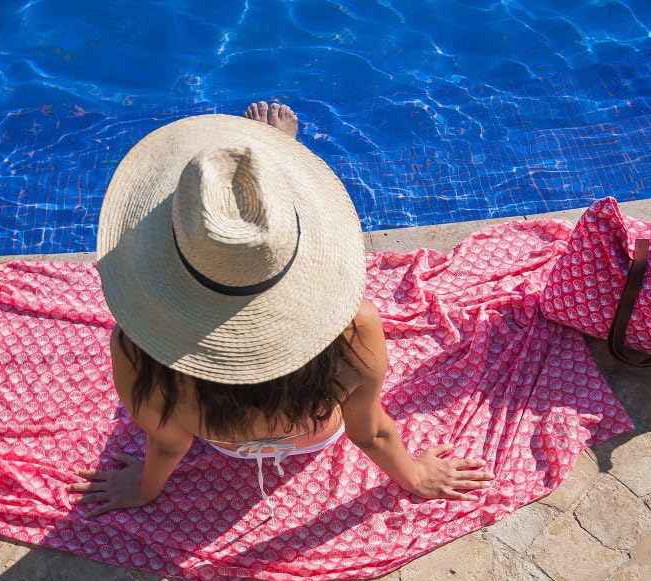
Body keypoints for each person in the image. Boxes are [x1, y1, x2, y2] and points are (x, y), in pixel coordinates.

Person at [67, 101, 494, 518]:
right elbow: (371, 432)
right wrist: (415, 477)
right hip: (311, 434)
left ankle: (251, 182)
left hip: (220, 435)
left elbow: (169, 443)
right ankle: (267, 177)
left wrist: (145, 489)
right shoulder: (355, 326)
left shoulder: (135, 345)